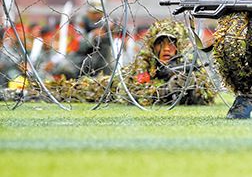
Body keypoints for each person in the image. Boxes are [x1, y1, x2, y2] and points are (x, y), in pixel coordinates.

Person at [30, 19, 216, 106]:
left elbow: (208, 96)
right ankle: (28, 92)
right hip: (111, 87)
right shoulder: (145, 60)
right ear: (153, 46)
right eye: (161, 43)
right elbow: (133, 95)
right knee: (67, 90)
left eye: (172, 44)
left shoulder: (187, 63)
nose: (167, 49)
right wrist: (167, 90)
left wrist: (191, 87)